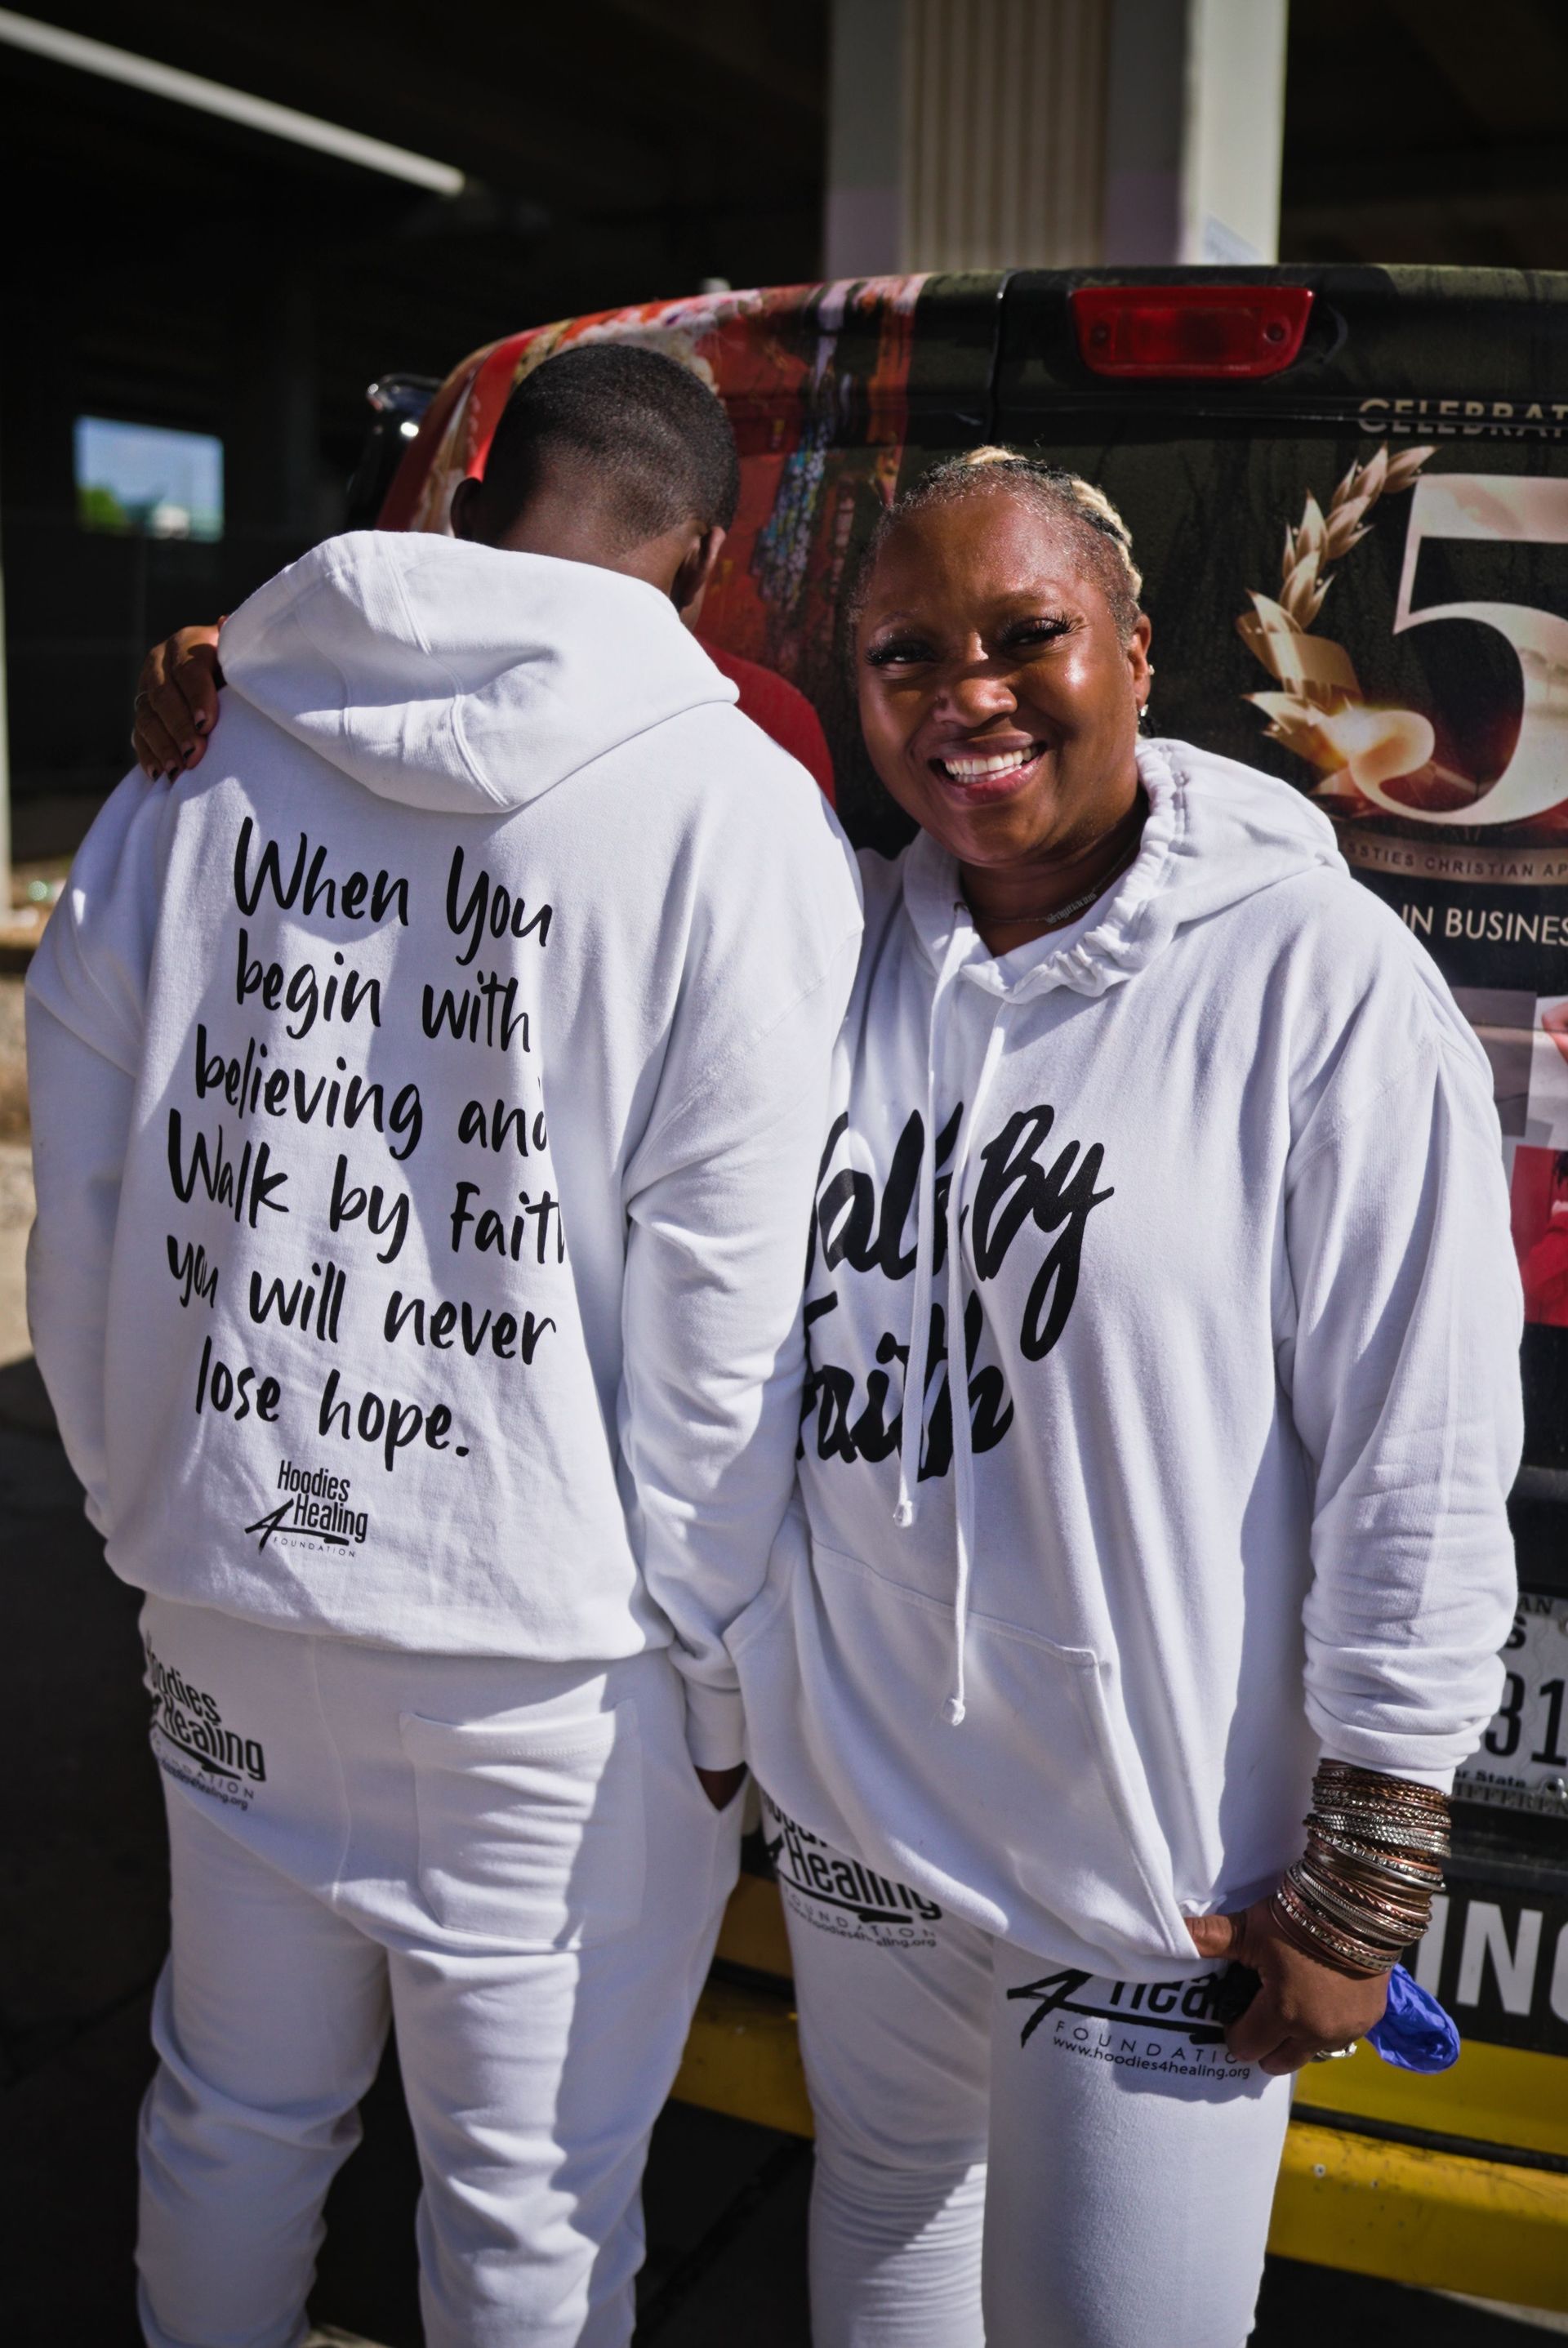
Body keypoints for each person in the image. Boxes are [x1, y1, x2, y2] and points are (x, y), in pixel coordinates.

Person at [27, 344, 861, 2348]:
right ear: (710, 557)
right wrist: (713, 1664)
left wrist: (144, 1502)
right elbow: (723, 1313)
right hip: (547, 1669)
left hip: (226, 1592)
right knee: (527, 2201)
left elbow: (87, 1187)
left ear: (472, 493)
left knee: (232, 2114)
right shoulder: (734, 818)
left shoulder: (196, 762)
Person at [725, 450, 1521, 2347]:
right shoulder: (839, 950)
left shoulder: (1320, 985)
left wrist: (1370, 1865)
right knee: (885, 2238)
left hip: (1153, 1878)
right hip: (861, 1830)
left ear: (1140, 655)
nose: (968, 693)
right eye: (907, 654)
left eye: (1028, 635)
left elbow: (1418, 1450)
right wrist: (263, 682)